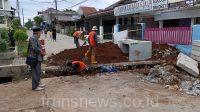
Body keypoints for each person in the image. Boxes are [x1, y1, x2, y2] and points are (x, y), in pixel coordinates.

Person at [28, 26, 46, 91]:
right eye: (40, 32)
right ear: (37, 32)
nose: (41, 33)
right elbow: (35, 48)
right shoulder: (33, 38)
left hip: (37, 58)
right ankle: (35, 87)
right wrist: (42, 52)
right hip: (34, 58)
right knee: (35, 72)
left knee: (38, 72)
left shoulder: (36, 38)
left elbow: (39, 47)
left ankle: (38, 84)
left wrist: (42, 52)